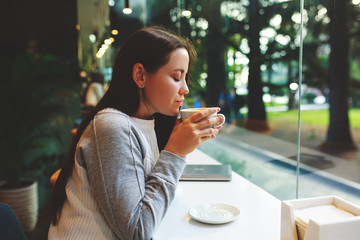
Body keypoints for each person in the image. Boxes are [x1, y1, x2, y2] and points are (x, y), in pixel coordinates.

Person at [45, 26, 224, 240]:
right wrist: (175, 153)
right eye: (177, 77)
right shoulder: (112, 125)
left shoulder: (143, 122)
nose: (185, 88)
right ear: (140, 75)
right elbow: (137, 231)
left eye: (185, 78)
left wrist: (180, 145)